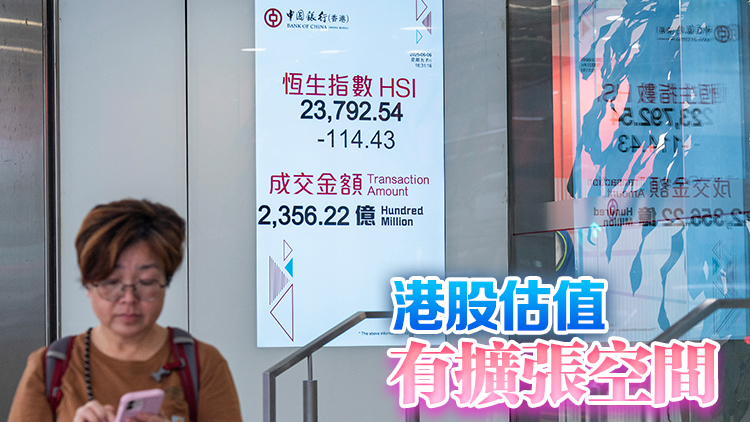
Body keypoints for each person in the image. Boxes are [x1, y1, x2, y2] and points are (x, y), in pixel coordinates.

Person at [8, 199, 242, 422]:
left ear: (166, 283)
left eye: (146, 282)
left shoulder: (203, 364)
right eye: (111, 282)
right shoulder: (48, 368)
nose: (129, 298)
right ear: (88, 285)